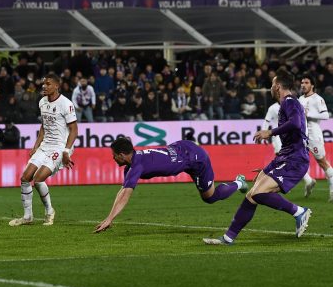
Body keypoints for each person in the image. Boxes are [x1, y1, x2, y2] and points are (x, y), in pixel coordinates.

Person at [204, 71, 312, 245]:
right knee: (252, 195)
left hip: (294, 159)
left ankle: (299, 211)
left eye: (272, 83)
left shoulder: (289, 101)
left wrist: (269, 132)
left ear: (277, 86)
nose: (270, 87)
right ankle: (228, 238)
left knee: (260, 192)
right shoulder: (287, 103)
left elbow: (296, 123)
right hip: (285, 156)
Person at [94, 137, 247, 233]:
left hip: (195, 158)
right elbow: (122, 191)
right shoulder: (132, 165)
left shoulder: (136, 166)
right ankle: (238, 182)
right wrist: (110, 217)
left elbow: (126, 195)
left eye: (114, 155)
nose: (113, 158)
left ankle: (239, 182)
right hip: (182, 147)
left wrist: (110, 219)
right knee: (208, 196)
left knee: (210, 197)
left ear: (121, 155)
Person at [9, 74, 78, 227]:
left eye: (48, 84)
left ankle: (49, 211)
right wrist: (36, 146)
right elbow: (44, 126)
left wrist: (66, 151)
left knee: (38, 179)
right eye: (43, 84)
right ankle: (27, 217)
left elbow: (74, 130)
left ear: (56, 86)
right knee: (25, 177)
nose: (44, 86)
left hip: (59, 147)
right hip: (45, 145)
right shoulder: (42, 102)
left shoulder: (66, 104)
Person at [298, 75, 333, 201]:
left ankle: (332, 188)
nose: (303, 85)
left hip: (313, 134)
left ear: (312, 85)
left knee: (322, 162)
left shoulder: (317, 99)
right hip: (301, 135)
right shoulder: (300, 98)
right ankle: (308, 181)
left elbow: (325, 115)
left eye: (306, 82)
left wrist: (308, 114)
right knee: (296, 160)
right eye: (302, 82)